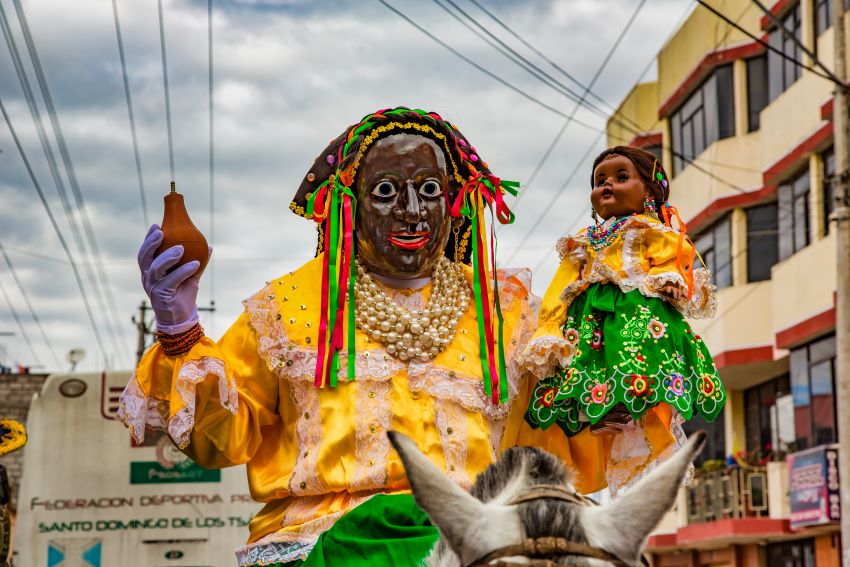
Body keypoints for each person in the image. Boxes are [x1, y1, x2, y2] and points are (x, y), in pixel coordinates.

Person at [117, 110, 678, 566]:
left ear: (453, 202)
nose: (411, 211)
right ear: (349, 204)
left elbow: (555, 440)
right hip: (320, 541)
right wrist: (178, 328)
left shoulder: (510, 312)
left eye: (428, 189)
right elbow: (220, 443)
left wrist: (607, 410)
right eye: (386, 191)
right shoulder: (285, 309)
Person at [522, 146, 726, 463]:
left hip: (640, 313)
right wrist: (550, 324)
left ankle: (635, 403)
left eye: (621, 177)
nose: (607, 184)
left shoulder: (650, 230)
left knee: (637, 355)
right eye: (599, 179)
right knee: (588, 366)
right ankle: (601, 411)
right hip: (592, 320)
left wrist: (669, 278)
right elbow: (561, 284)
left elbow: (671, 257)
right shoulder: (583, 241)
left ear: (648, 190)